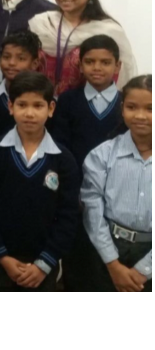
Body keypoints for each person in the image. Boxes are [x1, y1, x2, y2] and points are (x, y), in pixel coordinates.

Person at [0, 72, 81, 292]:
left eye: (38, 106)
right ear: (11, 107)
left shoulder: (64, 160)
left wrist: (44, 263)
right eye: (22, 105)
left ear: (50, 109)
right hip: (0, 259)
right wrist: (2, 257)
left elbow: (69, 215)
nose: (29, 113)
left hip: (43, 263)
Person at [52, 35, 126, 292]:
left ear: (117, 66)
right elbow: (61, 149)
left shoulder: (126, 105)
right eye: (90, 61)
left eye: (105, 62)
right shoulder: (68, 101)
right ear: (80, 66)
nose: (97, 67)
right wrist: (73, 191)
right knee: (78, 255)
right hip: (78, 195)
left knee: (108, 259)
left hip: (115, 196)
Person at [82, 75, 152, 293]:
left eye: (150, 108)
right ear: (122, 109)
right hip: (108, 248)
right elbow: (92, 209)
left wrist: (144, 270)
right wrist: (112, 263)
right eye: (132, 107)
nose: (140, 116)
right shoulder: (102, 155)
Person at [30, 0, 138, 97]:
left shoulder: (109, 30)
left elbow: (122, 78)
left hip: (86, 110)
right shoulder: (43, 23)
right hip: (39, 108)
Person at [0, 31, 42, 141]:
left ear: (34, 63)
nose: (11, 63)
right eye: (6, 57)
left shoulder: (43, 101)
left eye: (21, 58)